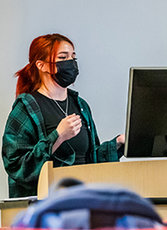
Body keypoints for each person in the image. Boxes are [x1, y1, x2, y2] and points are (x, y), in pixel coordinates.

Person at [1, 34, 125, 198]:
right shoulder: (26, 107)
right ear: (42, 65)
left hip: (84, 199)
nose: (71, 63)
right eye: (63, 57)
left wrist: (117, 144)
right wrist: (58, 136)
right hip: (48, 205)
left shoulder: (80, 105)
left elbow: (91, 159)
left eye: (73, 56)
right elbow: (16, 165)